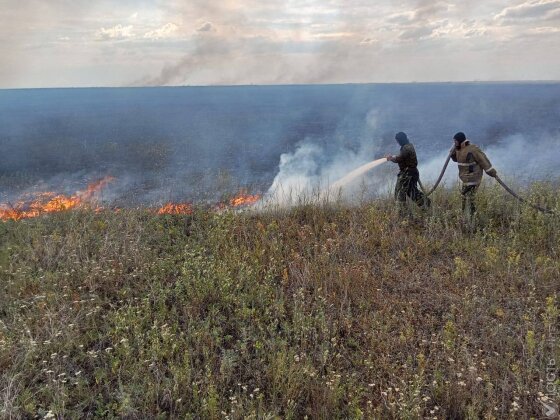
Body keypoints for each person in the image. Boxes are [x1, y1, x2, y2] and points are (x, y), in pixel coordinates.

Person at [450, 132, 497, 218]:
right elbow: (456, 159)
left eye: (456, 141)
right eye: (454, 141)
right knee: (465, 198)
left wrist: (491, 172)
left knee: (468, 198)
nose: (454, 143)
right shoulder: (459, 150)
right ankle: (466, 216)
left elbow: (483, 161)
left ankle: (472, 217)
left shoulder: (473, 150)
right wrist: (452, 153)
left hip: (473, 178)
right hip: (465, 179)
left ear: (460, 141)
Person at [385, 132, 430, 214]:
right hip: (411, 173)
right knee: (412, 192)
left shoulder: (406, 148)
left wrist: (391, 158)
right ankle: (425, 204)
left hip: (407, 174)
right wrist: (393, 157)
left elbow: (399, 158)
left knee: (399, 194)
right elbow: (402, 157)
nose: (397, 142)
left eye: (398, 140)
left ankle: (404, 214)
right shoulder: (408, 146)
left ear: (400, 140)